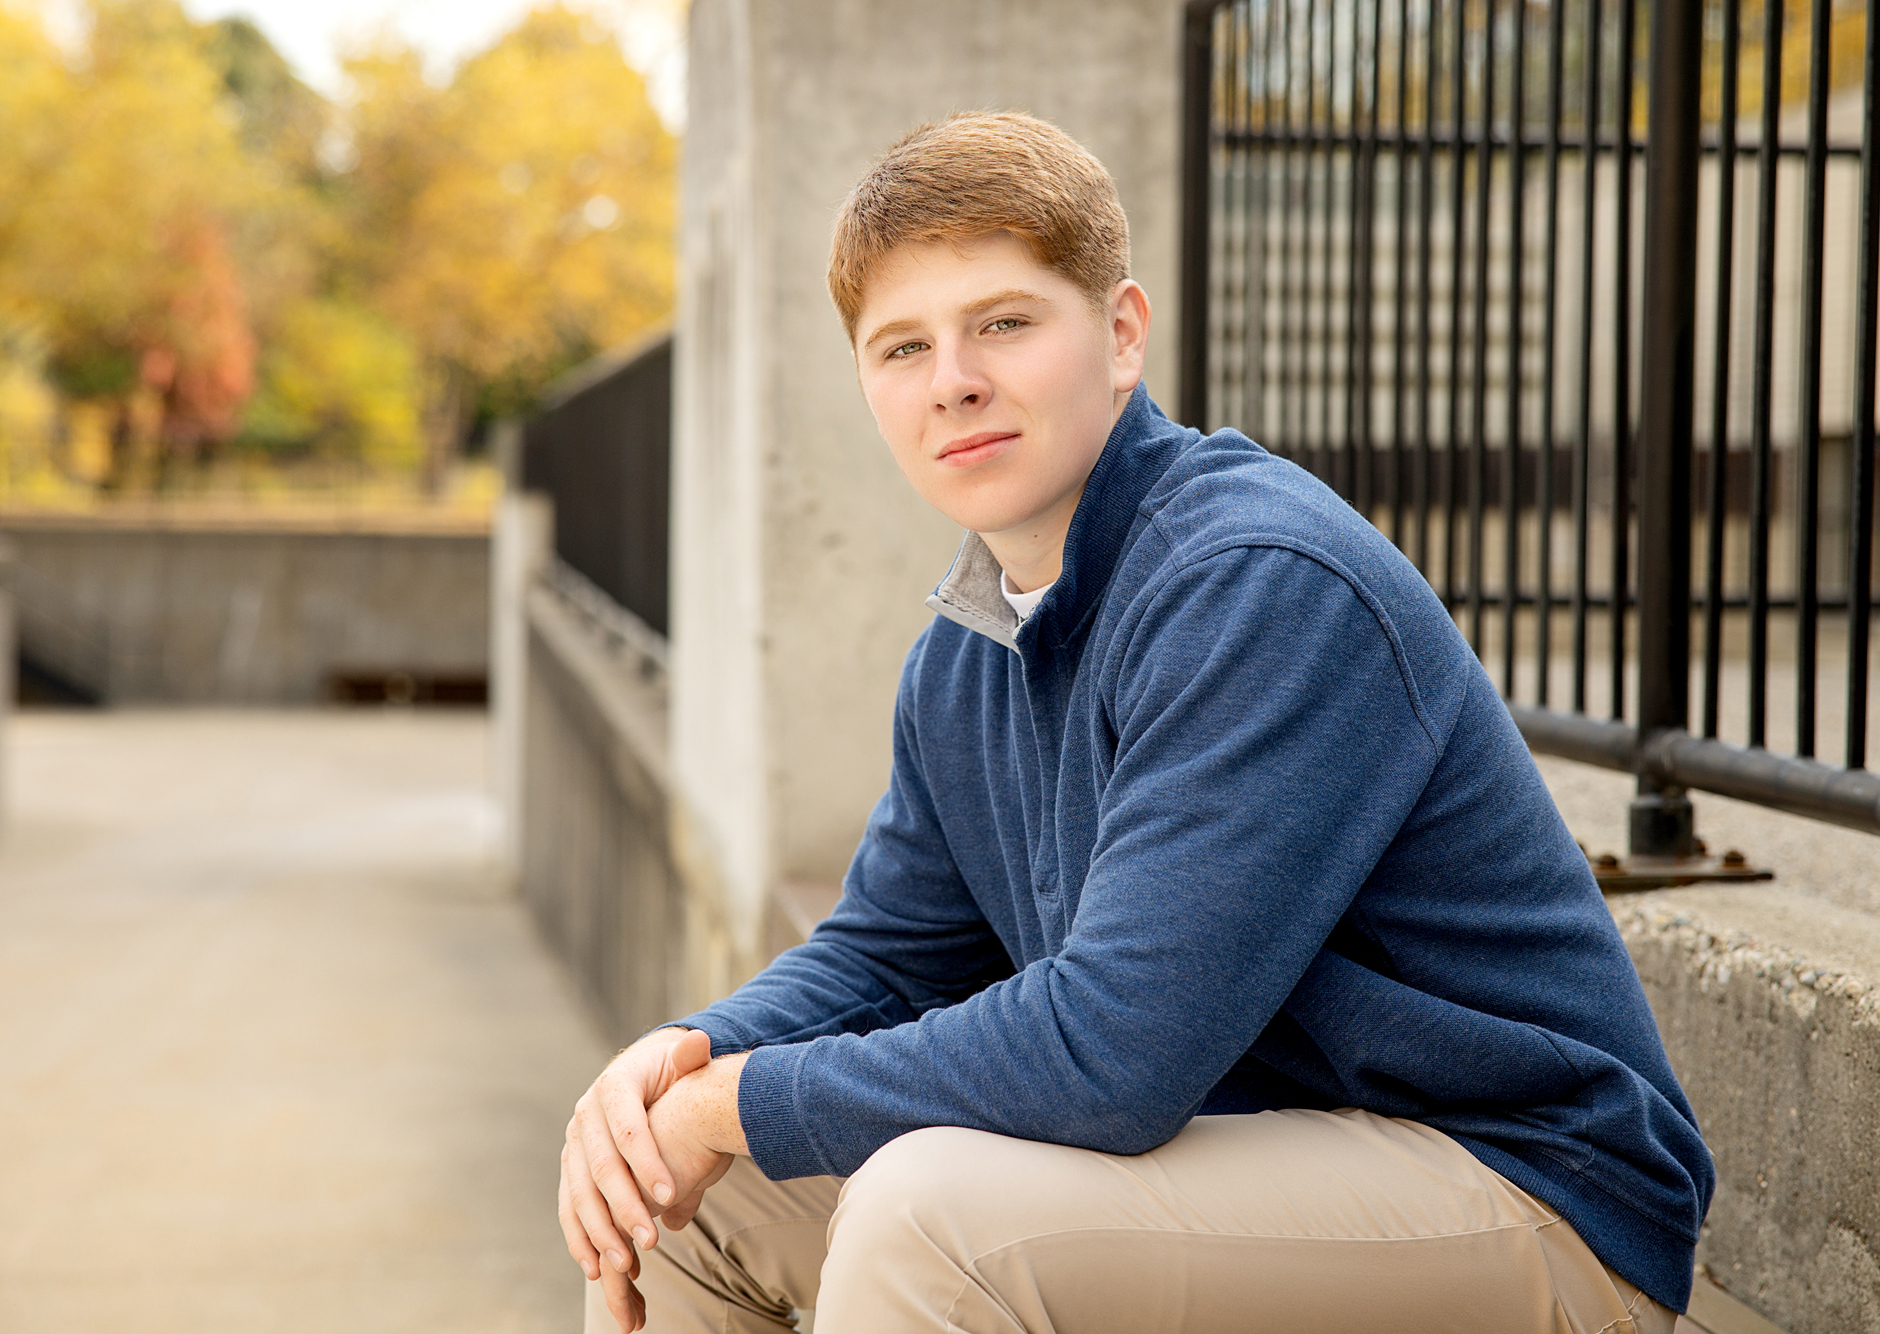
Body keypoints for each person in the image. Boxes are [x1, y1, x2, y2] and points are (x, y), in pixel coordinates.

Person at [558, 111, 1713, 1334]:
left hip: (1527, 1190)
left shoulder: (1253, 581)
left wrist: (732, 1099)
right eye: (902, 347)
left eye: (1003, 323)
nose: (952, 380)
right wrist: (681, 1062)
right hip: (1250, 1157)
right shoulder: (967, 645)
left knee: (927, 1217)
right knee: (674, 1198)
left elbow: (1113, 1054)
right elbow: (887, 958)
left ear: (1119, 334)